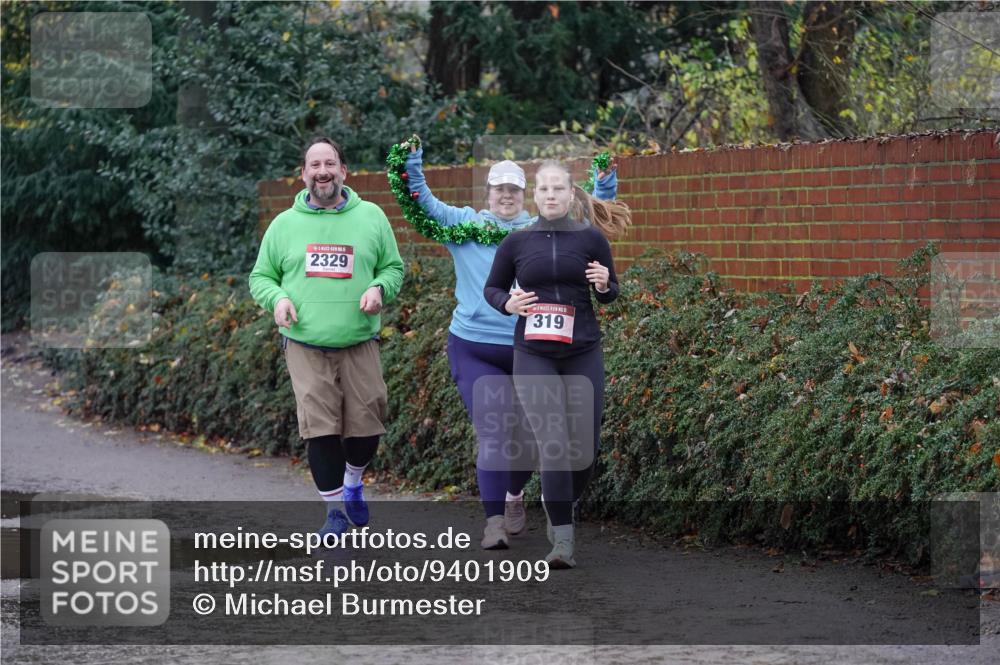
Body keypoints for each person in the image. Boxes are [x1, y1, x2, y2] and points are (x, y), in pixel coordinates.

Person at [403, 138, 617, 550]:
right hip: (475, 345)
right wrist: (411, 167)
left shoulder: (540, 230)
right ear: (487, 193)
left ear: (526, 195)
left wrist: (604, 182)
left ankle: (516, 494)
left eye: (514, 189)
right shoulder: (464, 224)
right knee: (496, 429)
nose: (505, 195)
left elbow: (589, 217)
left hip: (531, 348)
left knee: (530, 438)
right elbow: (423, 204)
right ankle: (494, 521)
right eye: (498, 189)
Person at [249, 136, 404, 539]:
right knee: (321, 427)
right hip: (305, 343)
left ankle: (353, 480)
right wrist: (278, 298)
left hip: (359, 341)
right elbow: (260, 277)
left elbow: (393, 268)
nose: (322, 172)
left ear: (343, 171)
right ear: (303, 175)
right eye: (314, 165)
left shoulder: (371, 216)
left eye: (330, 164)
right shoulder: (284, 225)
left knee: (368, 423)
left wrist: (379, 289)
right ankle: (333, 511)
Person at [483, 159, 629, 568]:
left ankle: (557, 496)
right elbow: (492, 288)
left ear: (570, 195)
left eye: (557, 189)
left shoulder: (592, 239)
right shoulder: (515, 243)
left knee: (586, 446)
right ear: (536, 196)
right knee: (553, 442)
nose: (550, 195)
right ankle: (563, 539)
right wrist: (507, 303)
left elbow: (610, 290)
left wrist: (604, 284)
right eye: (543, 189)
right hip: (533, 354)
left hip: (583, 351)